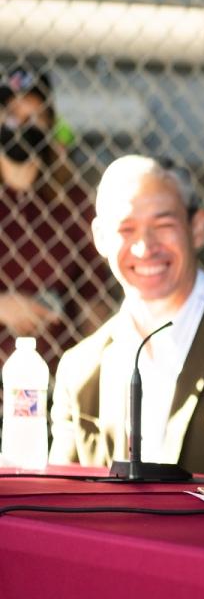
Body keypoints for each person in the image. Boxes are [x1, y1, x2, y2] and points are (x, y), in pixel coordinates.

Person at [48, 155, 204, 478]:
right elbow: (61, 504)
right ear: (100, 238)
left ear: (197, 228)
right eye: (126, 229)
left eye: (163, 225)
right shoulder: (79, 369)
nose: (145, 248)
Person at [0, 65, 106, 372]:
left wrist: (96, 370)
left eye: (34, 117)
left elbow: (91, 299)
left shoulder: (71, 204)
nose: (21, 126)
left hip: (53, 377)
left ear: (49, 126)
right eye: (11, 115)